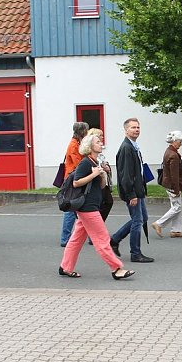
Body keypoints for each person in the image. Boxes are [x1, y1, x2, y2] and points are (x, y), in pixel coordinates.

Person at [59, 133, 135, 280]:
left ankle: (65, 267)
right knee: (102, 239)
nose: (101, 144)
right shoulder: (85, 163)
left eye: (101, 141)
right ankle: (116, 268)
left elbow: (100, 187)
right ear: (90, 146)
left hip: (92, 206)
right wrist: (93, 174)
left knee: (76, 239)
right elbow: (76, 182)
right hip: (87, 208)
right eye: (98, 142)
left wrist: (102, 174)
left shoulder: (95, 162)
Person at [110, 118, 153, 263]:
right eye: (133, 127)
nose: (136, 130)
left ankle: (115, 239)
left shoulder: (133, 146)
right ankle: (135, 253)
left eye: (138, 127)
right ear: (126, 130)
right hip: (132, 192)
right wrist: (131, 194)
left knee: (142, 218)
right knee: (137, 220)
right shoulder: (126, 148)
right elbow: (126, 174)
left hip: (138, 190)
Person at [152, 130, 182, 238]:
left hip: (169, 183)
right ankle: (159, 223)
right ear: (174, 141)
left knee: (177, 206)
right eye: (180, 141)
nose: (181, 144)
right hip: (173, 185)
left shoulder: (169, 151)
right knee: (177, 207)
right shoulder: (173, 155)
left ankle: (176, 230)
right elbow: (174, 175)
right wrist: (176, 189)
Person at [60, 122, 89, 247]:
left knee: (80, 208)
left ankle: (89, 235)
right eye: (86, 130)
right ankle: (65, 238)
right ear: (82, 131)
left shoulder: (77, 143)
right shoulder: (74, 145)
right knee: (71, 209)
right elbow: (78, 164)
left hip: (74, 177)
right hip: (72, 179)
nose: (87, 132)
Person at [86, 127, 114, 221]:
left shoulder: (100, 154)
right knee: (102, 204)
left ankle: (98, 224)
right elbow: (77, 181)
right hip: (95, 185)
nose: (102, 138)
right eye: (100, 136)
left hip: (103, 183)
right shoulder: (88, 157)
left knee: (108, 202)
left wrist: (106, 168)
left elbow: (103, 163)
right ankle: (97, 224)